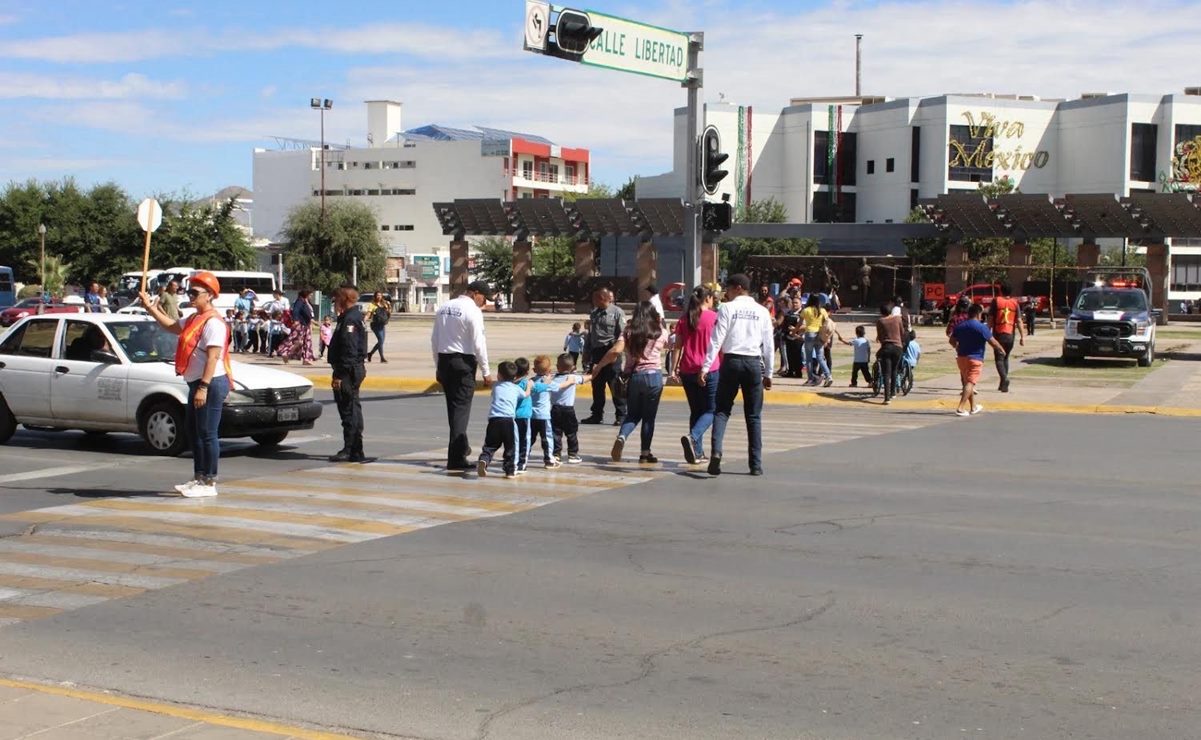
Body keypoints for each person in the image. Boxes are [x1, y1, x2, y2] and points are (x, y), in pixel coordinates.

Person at [137, 271, 231, 498]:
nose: (190, 295)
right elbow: (171, 326)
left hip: (210, 383)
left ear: (209, 295)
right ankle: (199, 477)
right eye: (189, 291)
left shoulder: (213, 323)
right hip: (196, 382)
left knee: (208, 433)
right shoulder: (193, 318)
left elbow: (213, 358)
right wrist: (151, 308)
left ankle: (210, 482)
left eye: (195, 292)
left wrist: (203, 387)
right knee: (194, 431)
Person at [699, 273, 774, 477]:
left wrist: (706, 367)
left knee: (722, 411)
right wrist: (769, 372)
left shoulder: (727, 309)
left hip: (731, 362)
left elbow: (716, 339)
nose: (727, 294)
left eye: (729, 290)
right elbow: (769, 344)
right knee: (753, 416)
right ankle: (756, 465)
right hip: (752, 363)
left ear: (738, 288)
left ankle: (716, 451)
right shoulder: (762, 311)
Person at [432, 280, 494, 472]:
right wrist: (486, 371)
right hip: (462, 364)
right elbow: (478, 343)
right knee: (461, 411)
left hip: (444, 361)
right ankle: (456, 458)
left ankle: (461, 447)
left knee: (454, 410)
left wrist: (437, 366)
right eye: (484, 298)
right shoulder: (473, 311)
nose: (484, 303)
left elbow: (434, 339)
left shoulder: (444, 307)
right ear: (475, 293)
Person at [596, 301, 668, 464]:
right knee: (649, 417)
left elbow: (615, 351)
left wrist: (599, 366)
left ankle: (622, 436)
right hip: (654, 377)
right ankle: (645, 453)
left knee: (633, 414)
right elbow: (670, 345)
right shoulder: (660, 332)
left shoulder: (628, 331)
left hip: (634, 377)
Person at [671, 285, 721, 465]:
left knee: (696, 411)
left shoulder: (684, 319)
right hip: (709, 369)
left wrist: (672, 369)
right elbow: (720, 345)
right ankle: (693, 437)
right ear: (707, 298)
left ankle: (697, 452)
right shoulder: (714, 318)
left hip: (687, 369)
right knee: (711, 410)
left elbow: (677, 346)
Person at [328, 283, 372, 463]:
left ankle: (352, 449)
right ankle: (355, 449)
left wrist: (340, 374)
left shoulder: (350, 319)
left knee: (349, 410)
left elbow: (350, 349)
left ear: (344, 299)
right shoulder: (349, 317)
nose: (334, 302)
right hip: (350, 368)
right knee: (351, 408)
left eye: (336, 298)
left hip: (348, 370)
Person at [950, 303, 1007, 417]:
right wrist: (1001, 350)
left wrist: (957, 347)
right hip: (975, 358)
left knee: (967, 382)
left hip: (961, 358)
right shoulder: (981, 327)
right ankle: (960, 408)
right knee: (970, 383)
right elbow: (992, 341)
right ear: (978, 314)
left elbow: (952, 340)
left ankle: (973, 407)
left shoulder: (960, 326)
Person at [476, 361, 529, 479]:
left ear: (499, 375)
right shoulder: (516, 388)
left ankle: (484, 459)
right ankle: (510, 471)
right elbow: (525, 395)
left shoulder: (496, 386)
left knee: (490, 445)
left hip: (494, 420)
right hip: (509, 421)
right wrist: (529, 386)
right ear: (515, 377)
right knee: (511, 447)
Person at [582, 288, 626, 426]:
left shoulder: (617, 313)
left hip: (611, 351)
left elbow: (622, 334)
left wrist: (616, 352)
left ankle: (621, 415)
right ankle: (596, 414)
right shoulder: (594, 313)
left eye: (595, 298)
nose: (593, 301)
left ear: (602, 298)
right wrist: (586, 352)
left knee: (614, 384)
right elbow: (591, 334)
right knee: (597, 385)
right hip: (596, 352)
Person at [549, 353, 588, 464]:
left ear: (557, 366)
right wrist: (595, 372)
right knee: (571, 432)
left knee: (556, 432)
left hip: (555, 408)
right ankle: (572, 454)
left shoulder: (553, 378)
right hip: (568, 410)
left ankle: (556, 454)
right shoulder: (572, 377)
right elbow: (587, 378)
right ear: (572, 367)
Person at [989, 285, 1025, 393]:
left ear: (1000, 291)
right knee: (1006, 357)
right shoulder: (1015, 303)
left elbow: (990, 318)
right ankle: (1002, 384)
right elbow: (1019, 320)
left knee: (999, 358)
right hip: (1010, 334)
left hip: (999, 333)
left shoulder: (996, 301)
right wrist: (1022, 337)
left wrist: (986, 332)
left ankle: (1004, 379)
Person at [875, 303, 905, 405]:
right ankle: (893, 392)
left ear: (881, 312)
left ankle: (887, 398)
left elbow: (879, 336)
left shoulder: (880, 321)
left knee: (886, 373)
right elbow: (902, 332)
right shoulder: (898, 319)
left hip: (886, 347)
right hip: (898, 347)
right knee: (894, 370)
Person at [800, 293, 831, 386]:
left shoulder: (806, 310)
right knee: (820, 357)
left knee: (809, 358)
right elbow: (827, 322)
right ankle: (828, 376)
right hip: (819, 334)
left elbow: (800, 323)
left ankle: (810, 378)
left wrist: (795, 331)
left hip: (809, 333)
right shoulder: (823, 310)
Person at [278, 289, 316, 365]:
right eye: (310, 294)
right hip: (300, 325)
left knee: (307, 342)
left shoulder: (305, 301)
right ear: (306, 294)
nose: (311, 296)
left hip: (306, 325)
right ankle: (284, 351)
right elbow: (295, 311)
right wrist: (296, 320)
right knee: (293, 339)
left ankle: (306, 358)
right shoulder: (299, 301)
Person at [513, 357, 534, 474]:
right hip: (524, 416)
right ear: (527, 372)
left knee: (514, 440)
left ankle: (513, 461)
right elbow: (536, 388)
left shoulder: (511, 383)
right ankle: (522, 464)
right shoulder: (527, 383)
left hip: (513, 415)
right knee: (525, 440)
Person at [367, 292, 391, 363]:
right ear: (375, 296)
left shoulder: (384, 304)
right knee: (380, 340)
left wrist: (389, 307)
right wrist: (364, 320)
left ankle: (370, 354)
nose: (379, 297)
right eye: (377, 295)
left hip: (382, 324)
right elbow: (368, 314)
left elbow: (388, 313)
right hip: (375, 325)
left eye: (380, 295)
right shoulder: (372, 305)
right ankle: (382, 358)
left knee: (381, 342)